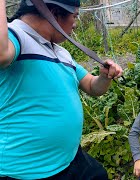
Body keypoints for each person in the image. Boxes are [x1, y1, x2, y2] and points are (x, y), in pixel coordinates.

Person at [0, 0, 122, 179]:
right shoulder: (16, 37)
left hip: (69, 160)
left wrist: (104, 77)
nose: (75, 23)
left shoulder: (61, 53)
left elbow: (91, 86)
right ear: (54, 13)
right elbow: (2, 54)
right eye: (74, 16)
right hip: (27, 171)